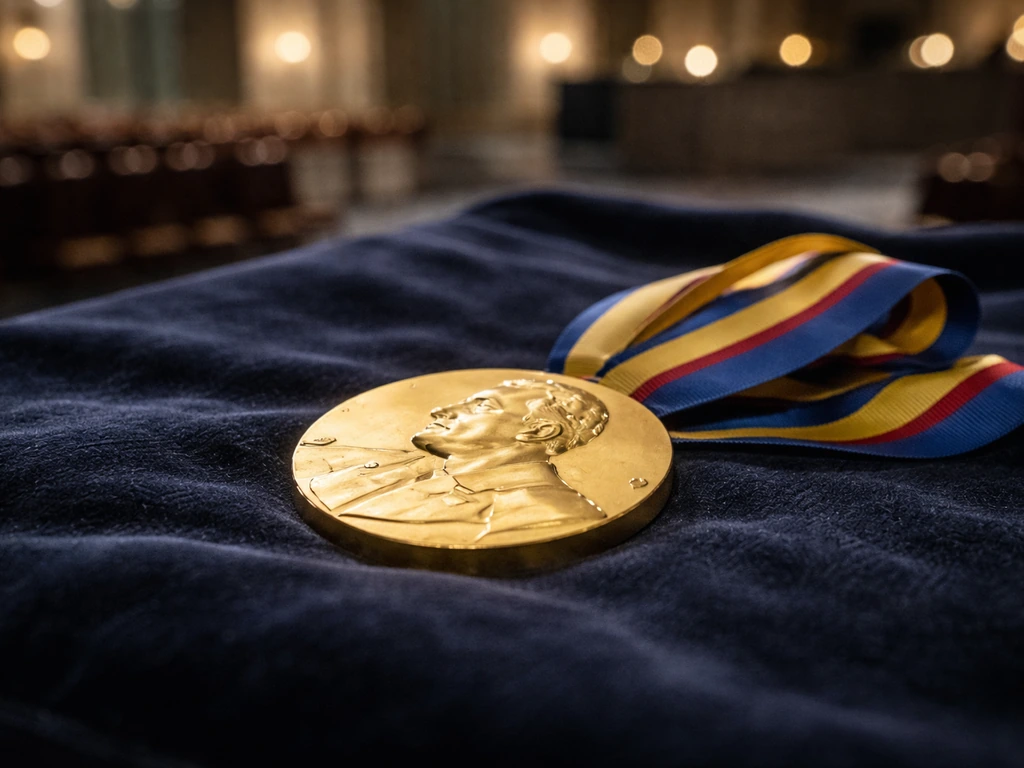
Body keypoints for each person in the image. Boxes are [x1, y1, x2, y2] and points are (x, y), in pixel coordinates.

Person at [298, 379, 609, 545]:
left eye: (480, 406)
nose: (440, 409)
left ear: (538, 430)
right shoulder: (379, 465)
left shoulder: (553, 515)